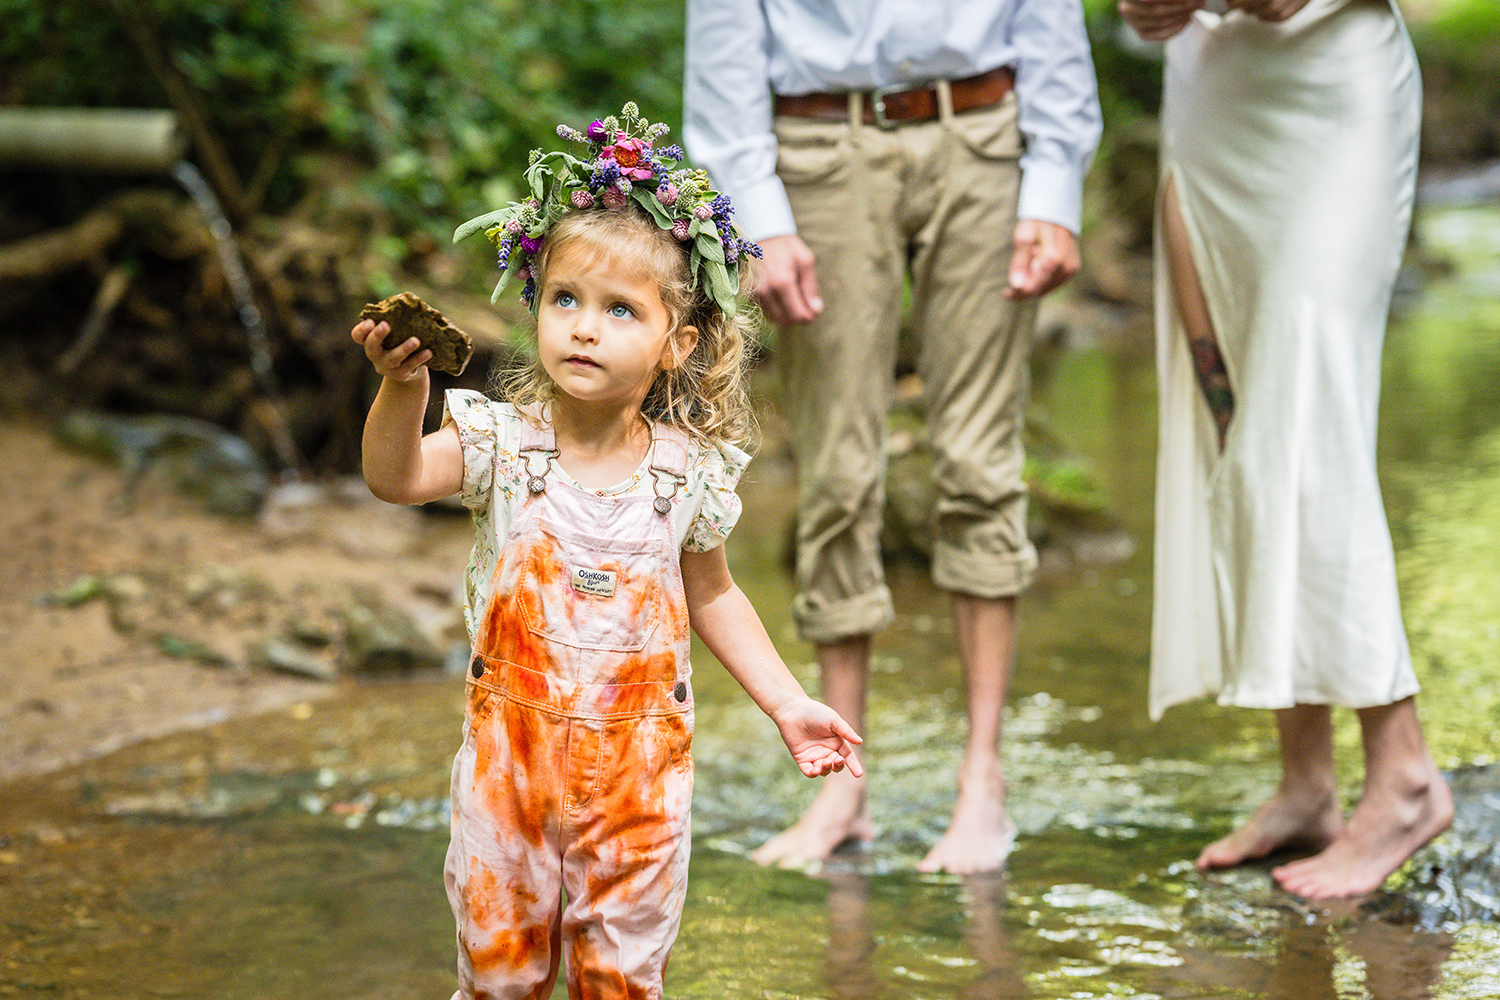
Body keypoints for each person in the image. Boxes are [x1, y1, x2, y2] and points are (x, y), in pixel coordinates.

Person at [351, 105, 864, 999]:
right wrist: (406, 388)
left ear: (678, 344)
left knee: (622, 982)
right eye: (565, 300)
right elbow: (395, 478)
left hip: (641, 784)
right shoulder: (503, 446)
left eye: (620, 309)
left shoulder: (687, 475)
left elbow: (714, 596)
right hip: (508, 769)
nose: (584, 327)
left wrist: (787, 703)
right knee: (499, 976)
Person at [684, 1, 1102, 873]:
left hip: (985, 137)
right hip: (818, 155)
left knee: (982, 462)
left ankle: (982, 781)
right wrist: (757, 210)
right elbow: (723, 41)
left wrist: (1055, 184)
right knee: (837, 470)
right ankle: (842, 786)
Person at [1120, 0, 1453, 898]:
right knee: (1238, 431)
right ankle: (1307, 783)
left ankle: (1406, 776)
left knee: (1310, 429)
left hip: (1331, 95)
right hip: (1212, 98)